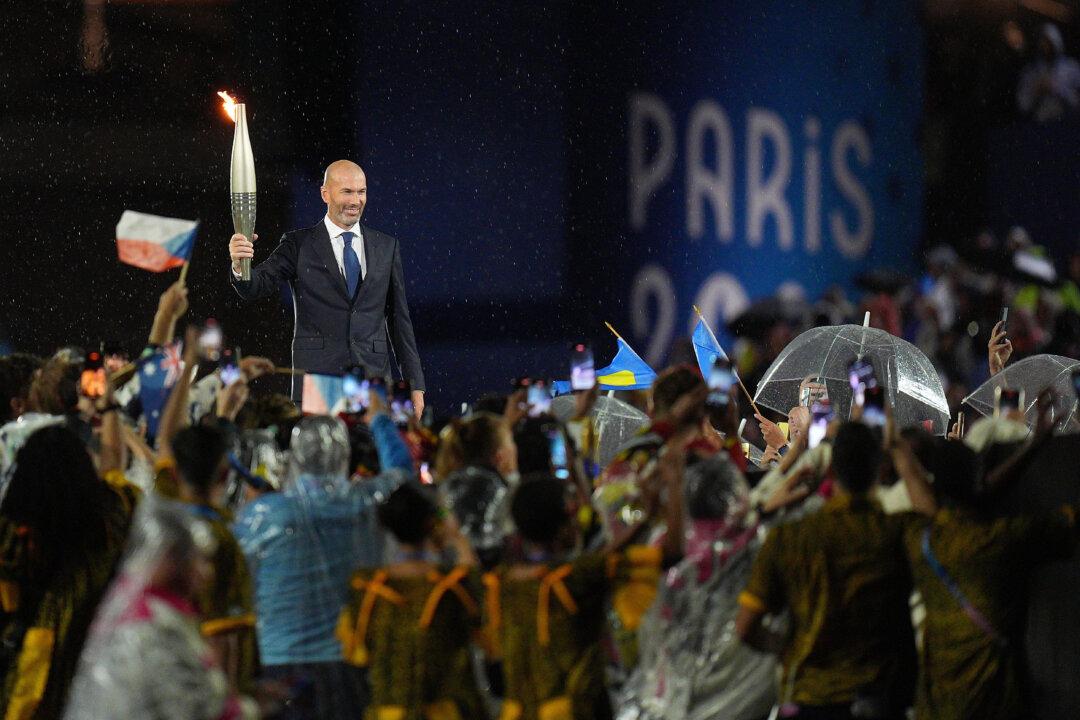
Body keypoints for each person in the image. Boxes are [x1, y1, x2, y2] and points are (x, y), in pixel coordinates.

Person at [903, 397, 1079, 720]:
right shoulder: (1001, 540)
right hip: (995, 704)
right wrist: (1037, 444)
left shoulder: (920, 538)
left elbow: (975, 494)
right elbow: (1067, 521)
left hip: (935, 706)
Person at [233, 407, 411, 720]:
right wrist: (381, 419)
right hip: (351, 665)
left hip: (280, 665)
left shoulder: (264, 516)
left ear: (295, 457)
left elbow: (235, 588)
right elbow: (402, 475)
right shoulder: (368, 504)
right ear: (345, 456)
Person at [736, 422, 918, 720]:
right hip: (880, 698)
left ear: (830, 470)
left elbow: (745, 627)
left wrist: (788, 647)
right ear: (881, 469)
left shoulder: (790, 538)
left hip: (809, 697)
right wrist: (901, 452)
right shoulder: (899, 533)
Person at [482, 455, 682, 720]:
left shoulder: (499, 583)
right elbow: (670, 553)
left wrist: (643, 522)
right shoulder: (575, 580)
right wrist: (675, 485)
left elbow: (597, 558)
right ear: (564, 526)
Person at [228, 160, 426, 417]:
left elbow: (400, 321)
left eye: (361, 191)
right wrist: (239, 264)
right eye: (347, 192)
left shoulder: (387, 247)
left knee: (372, 456)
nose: (356, 200)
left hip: (374, 382)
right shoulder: (298, 245)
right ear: (325, 194)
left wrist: (416, 385)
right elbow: (254, 287)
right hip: (318, 384)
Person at [63, 498, 258, 720]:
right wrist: (251, 710)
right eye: (199, 559)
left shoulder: (129, 603)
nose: (207, 573)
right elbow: (192, 707)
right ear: (170, 558)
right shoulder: (154, 622)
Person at [0, 422, 137, 718]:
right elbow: (116, 470)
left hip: (30, 680)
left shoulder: (14, 533)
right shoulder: (111, 520)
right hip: (99, 679)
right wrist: (109, 411)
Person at [338, 482, 486, 719]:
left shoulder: (366, 587)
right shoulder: (455, 584)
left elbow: (355, 653)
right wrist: (457, 538)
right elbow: (484, 623)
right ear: (432, 524)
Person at [1017, 23, 1080, 123]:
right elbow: (1023, 105)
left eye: (1048, 43)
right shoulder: (1032, 71)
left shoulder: (1072, 67)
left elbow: (1076, 101)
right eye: (1043, 43)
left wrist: (1057, 89)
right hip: (1042, 127)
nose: (1045, 47)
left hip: (1069, 125)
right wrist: (1036, 92)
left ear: (1056, 42)